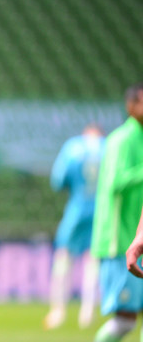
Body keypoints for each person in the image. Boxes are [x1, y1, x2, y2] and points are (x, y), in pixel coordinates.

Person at [91, 82, 143, 342]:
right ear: (130, 106)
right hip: (120, 241)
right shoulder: (120, 140)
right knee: (124, 320)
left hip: (138, 237)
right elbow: (114, 184)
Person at [43, 124, 104, 330]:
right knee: (93, 260)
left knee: (63, 257)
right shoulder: (108, 147)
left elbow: (58, 181)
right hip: (101, 211)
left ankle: (58, 311)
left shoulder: (73, 147)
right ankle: (88, 313)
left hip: (77, 209)